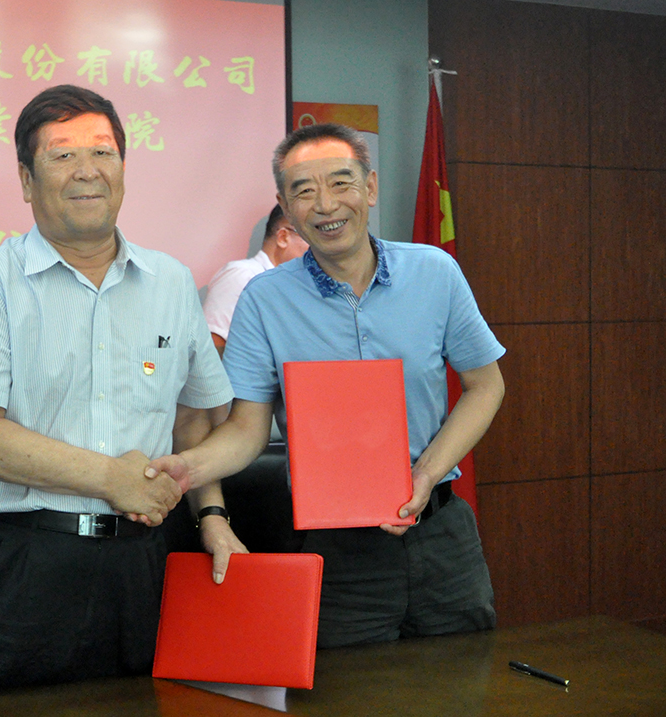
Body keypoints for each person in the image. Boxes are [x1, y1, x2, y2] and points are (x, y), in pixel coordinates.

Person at [0, 84, 244, 694]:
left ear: (123, 168)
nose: (87, 169)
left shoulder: (171, 282)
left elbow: (193, 426)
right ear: (26, 179)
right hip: (18, 564)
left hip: (142, 563)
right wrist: (111, 478)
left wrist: (213, 517)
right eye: (63, 154)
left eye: (103, 152)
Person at [147, 123, 506, 648]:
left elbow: (485, 386)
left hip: (441, 538)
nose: (326, 204)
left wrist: (426, 473)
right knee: (345, 687)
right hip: (336, 553)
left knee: (464, 677)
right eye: (304, 190)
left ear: (370, 188)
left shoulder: (435, 272)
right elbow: (247, 429)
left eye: (341, 183)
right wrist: (189, 468)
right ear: (285, 209)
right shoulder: (264, 301)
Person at [203, 204, 308, 356]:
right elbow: (213, 347)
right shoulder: (243, 275)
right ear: (283, 237)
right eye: (312, 238)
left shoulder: (300, 288)